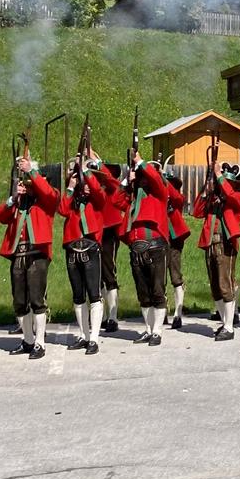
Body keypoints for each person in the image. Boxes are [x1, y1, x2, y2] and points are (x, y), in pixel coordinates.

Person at [0, 154, 57, 358]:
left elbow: (49, 193)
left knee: (37, 300)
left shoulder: (46, 201)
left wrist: (30, 169)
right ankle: (28, 340)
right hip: (18, 254)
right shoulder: (18, 203)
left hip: (37, 254)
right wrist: (13, 198)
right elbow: (1, 216)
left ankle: (40, 342)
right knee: (19, 301)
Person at [124, 152, 184, 345]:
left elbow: (156, 180)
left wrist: (140, 162)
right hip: (137, 247)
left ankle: (157, 330)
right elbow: (116, 200)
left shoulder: (159, 191)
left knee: (158, 290)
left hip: (156, 246)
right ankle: (148, 329)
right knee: (143, 293)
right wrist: (127, 181)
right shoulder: (135, 196)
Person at [61, 148, 109, 353]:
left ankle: (95, 338)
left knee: (94, 294)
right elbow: (62, 209)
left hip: (90, 248)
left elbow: (98, 191)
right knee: (78, 295)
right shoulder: (74, 198)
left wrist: (87, 171)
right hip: (72, 248)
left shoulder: (97, 197)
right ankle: (83, 334)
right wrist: (71, 187)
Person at [194, 148, 240, 341]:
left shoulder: (236, 196)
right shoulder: (214, 198)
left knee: (225, 285)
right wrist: (207, 188)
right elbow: (198, 211)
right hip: (210, 243)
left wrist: (218, 175)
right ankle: (224, 322)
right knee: (215, 286)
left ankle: (229, 327)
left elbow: (231, 196)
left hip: (225, 243)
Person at [93, 160, 129, 335]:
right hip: (97, 231)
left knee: (109, 273)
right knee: (98, 275)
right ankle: (102, 316)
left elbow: (109, 179)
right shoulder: (98, 188)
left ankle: (113, 317)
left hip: (110, 230)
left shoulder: (114, 186)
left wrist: (99, 163)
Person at [163, 168, 192, 330]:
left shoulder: (177, 198)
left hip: (174, 239)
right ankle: (163, 310)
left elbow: (175, 197)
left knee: (175, 276)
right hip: (159, 239)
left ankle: (178, 313)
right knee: (159, 278)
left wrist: (164, 181)